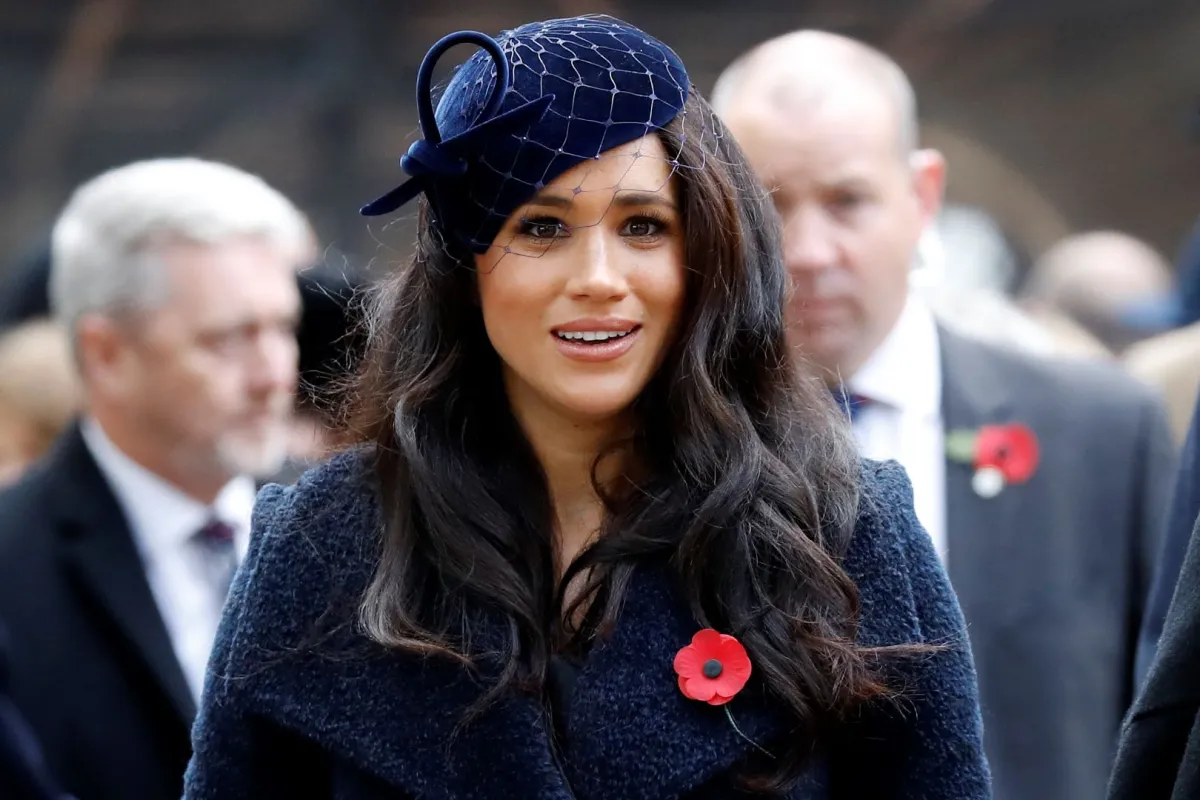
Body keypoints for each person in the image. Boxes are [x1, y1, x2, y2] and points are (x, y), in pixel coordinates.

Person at [184, 15, 990, 799]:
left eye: (644, 224)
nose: (599, 277)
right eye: (541, 227)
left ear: (707, 254)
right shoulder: (324, 543)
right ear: (466, 268)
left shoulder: (846, 533)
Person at [712, 30, 1176, 800]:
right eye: (769, 204)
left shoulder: (1100, 433)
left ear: (923, 195)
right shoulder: (660, 449)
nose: (809, 250)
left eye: (847, 200)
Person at [0, 158, 310, 800]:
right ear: (105, 353)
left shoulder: (364, 536)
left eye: (282, 328)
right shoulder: (12, 565)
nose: (272, 374)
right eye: (228, 338)